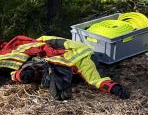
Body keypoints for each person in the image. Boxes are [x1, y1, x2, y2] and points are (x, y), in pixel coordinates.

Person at [0, 35, 129, 101]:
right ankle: (30, 72)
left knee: (35, 71)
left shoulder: (83, 58)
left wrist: (113, 88)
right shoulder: (82, 57)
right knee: (33, 71)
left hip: (51, 62)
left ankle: (30, 72)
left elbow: (96, 78)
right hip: (44, 61)